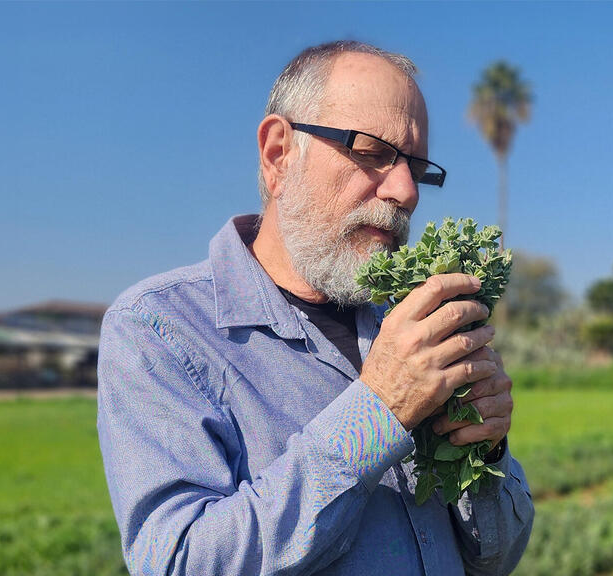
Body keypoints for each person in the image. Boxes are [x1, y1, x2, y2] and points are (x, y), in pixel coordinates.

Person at [97, 40, 534, 576]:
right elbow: (180, 562)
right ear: (279, 152)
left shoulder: (405, 324)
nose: (405, 191)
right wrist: (379, 412)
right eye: (372, 152)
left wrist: (484, 453)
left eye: (416, 169)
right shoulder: (158, 329)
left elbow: (496, 559)